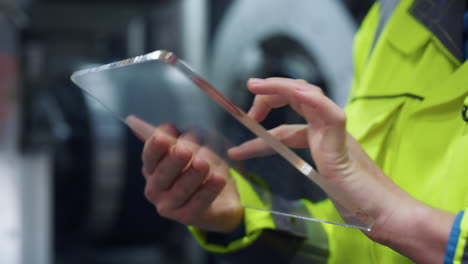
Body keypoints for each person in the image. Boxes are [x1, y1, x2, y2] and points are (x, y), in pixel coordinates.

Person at [127, 0, 468, 263]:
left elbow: (386, 221)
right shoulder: (396, 17)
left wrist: (399, 221)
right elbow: (359, 242)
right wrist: (247, 217)